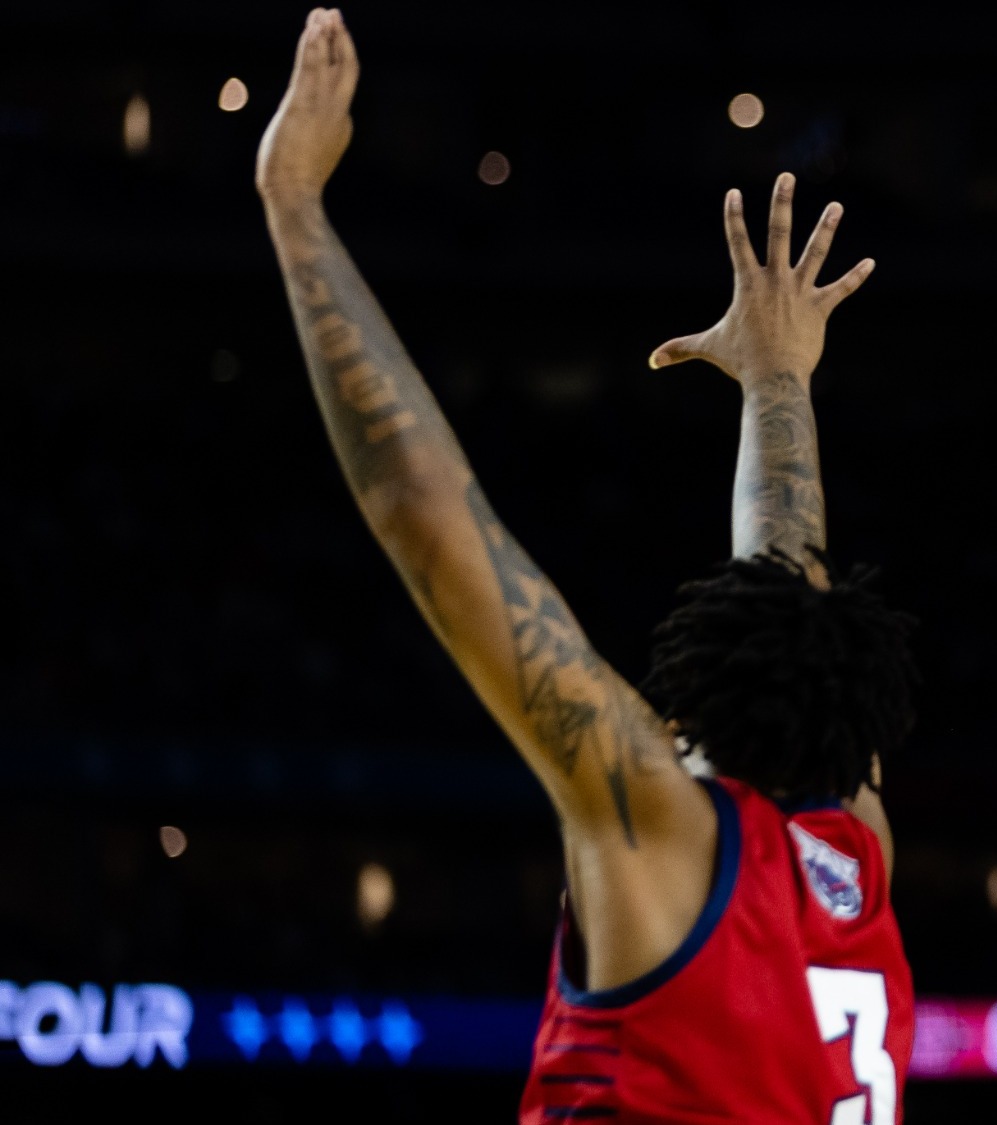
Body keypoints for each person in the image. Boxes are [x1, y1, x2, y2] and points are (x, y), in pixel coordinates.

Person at [255, 11, 916, 1122]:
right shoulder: (858, 844)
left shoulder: (662, 827)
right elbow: (795, 608)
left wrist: (294, 207)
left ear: (689, 718)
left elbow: (429, 514)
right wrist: (776, 378)